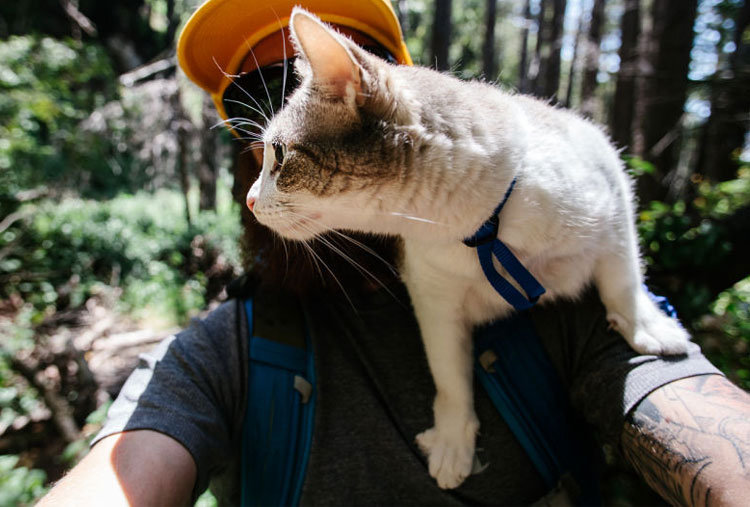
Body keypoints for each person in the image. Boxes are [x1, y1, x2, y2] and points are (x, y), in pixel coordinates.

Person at [40, 0, 750, 505]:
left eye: (315, 84)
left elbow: (684, 398)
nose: (268, 153)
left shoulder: (541, 285)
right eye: (255, 101)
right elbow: (122, 473)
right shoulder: (222, 356)